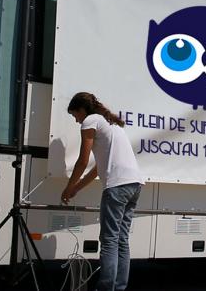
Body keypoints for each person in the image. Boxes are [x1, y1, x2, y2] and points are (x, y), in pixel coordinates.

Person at [61, 92, 144, 291]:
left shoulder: (90, 121)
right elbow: (98, 168)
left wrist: (68, 187)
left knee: (108, 241)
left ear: (82, 110)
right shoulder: (111, 125)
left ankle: (106, 288)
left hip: (117, 187)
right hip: (135, 185)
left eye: (75, 115)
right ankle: (119, 287)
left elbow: (82, 161)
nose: (76, 120)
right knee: (121, 240)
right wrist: (77, 189)